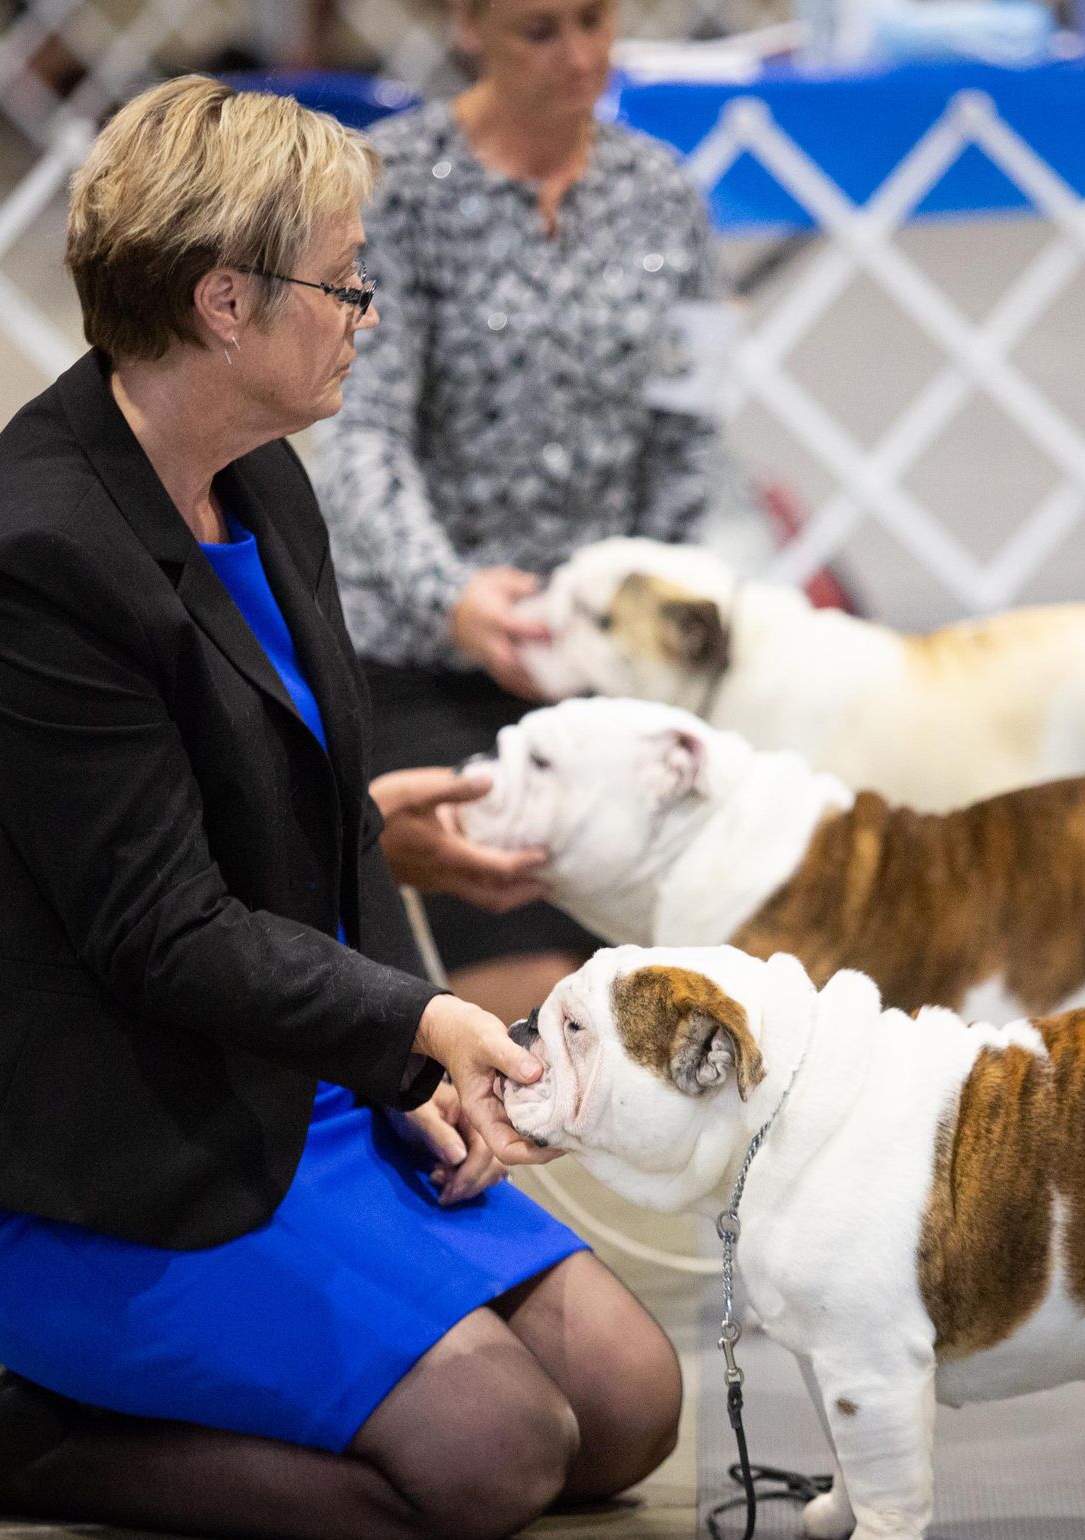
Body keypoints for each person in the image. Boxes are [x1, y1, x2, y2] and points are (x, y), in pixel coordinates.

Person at [0, 80, 682, 1540]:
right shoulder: (31, 562)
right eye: (346, 280)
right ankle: (51, 1447)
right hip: (77, 1146)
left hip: (266, 1075)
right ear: (225, 302)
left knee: (625, 1410)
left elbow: (242, 820)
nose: (366, 308)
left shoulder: (262, 482)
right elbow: (158, 929)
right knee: (494, 1454)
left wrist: (391, 1012)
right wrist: (414, 1028)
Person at [314, 0, 726, 1022]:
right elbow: (358, 434)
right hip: (421, 661)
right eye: (540, 30)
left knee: (665, 1005)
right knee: (533, 1014)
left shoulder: (666, 195)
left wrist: (652, 619)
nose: (580, 56)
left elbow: (691, 429)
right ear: (466, 26)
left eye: (594, 21)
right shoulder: (391, 187)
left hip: (610, 673)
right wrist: (451, 595)